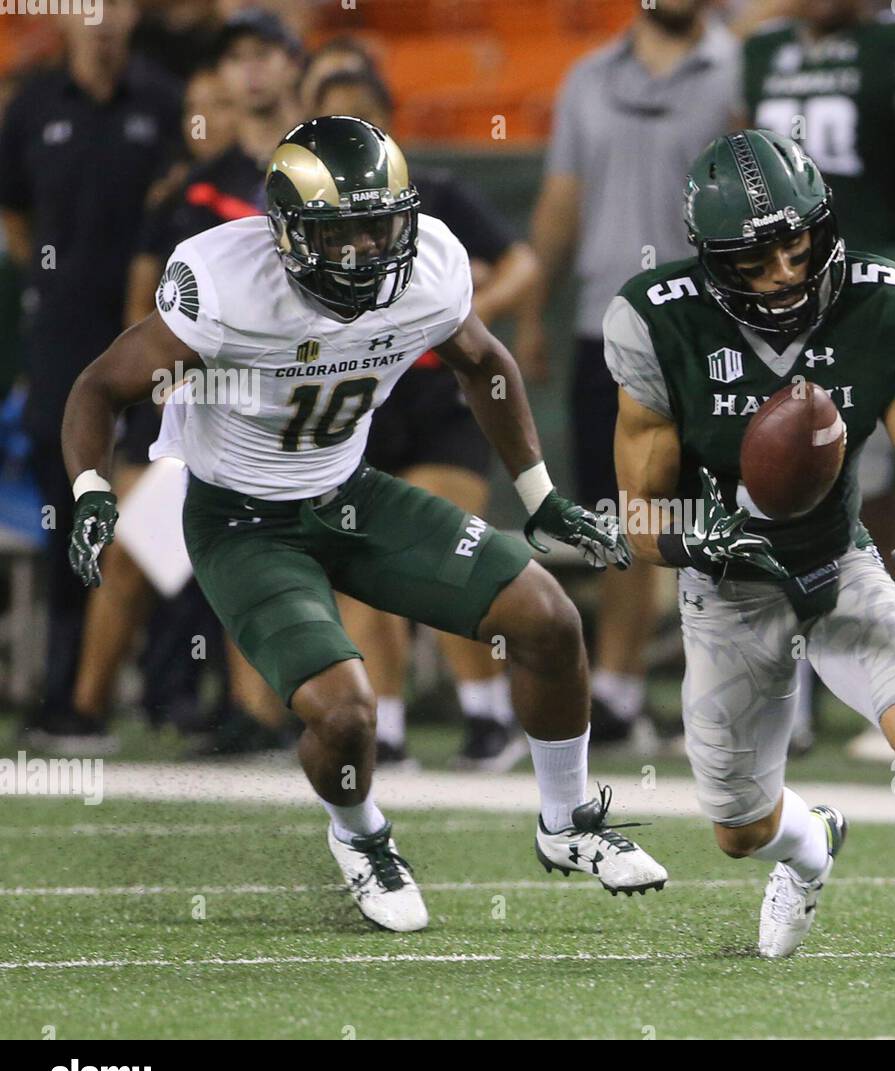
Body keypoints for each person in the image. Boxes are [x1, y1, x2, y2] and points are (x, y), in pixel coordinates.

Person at [61, 116, 667, 930]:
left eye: (380, 226)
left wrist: (539, 494)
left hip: (350, 491)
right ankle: (361, 833)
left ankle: (566, 823)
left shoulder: (431, 266)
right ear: (284, 231)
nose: (366, 251)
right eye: (339, 233)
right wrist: (94, 488)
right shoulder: (222, 281)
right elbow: (100, 386)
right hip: (241, 518)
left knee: (549, 618)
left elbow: (485, 364)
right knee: (347, 713)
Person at [608, 128, 895, 971]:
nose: (786, 274)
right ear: (711, 261)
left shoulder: (885, 301)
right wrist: (699, 537)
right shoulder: (657, 319)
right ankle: (809, 847)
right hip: (726, 581)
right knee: (738, 829)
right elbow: (636, 517)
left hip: (836, 558)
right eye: (754, 262)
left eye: (796, 246)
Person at [69, 8, 305, 754]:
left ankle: (263, 714)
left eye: (268, 52)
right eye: (239, 56)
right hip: (205, 411)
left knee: (258, 557)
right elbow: (146, 309)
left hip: (307, 411)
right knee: (137, 553)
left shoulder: (324, 179)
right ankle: (83, 711)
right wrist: (177, 388)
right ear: (223, 77)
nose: (254, 68)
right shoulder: (190, 194)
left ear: (293, 66)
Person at [741, 0, 895, 759]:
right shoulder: (761, 47)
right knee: (773, 488)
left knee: (880, 504)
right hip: (775, 299)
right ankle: (789, 704)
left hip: (870, 293)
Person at [519, 0, 740, 752]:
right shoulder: (586, 78)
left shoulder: (738, 67)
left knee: (713, 518)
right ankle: (615, 687)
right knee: (624, 515)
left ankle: (724, 692)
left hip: (713, 325)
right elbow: (561, 200)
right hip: (603, 324)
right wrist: (530, 315)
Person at [311, 67, 543, 771]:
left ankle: (487, 715)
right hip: (355, 404)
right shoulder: (298, 216)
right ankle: (386, 725)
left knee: (447, 545)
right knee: (358, 560)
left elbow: (523, 263)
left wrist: (473, 317)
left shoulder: (436, 199)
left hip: (437, 396)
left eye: (361, 119)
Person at [0, 0, 181, 741]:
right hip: (62, 344)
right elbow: (13, 214)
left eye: (115, 7)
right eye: (88, 8)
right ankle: (68, 694)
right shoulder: (32, 106)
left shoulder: (169, 106)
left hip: (158, 343)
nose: (102, 21)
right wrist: (55, 278)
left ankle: (170, 695)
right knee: (68, 517)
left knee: (165, 515)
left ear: (135, 17)